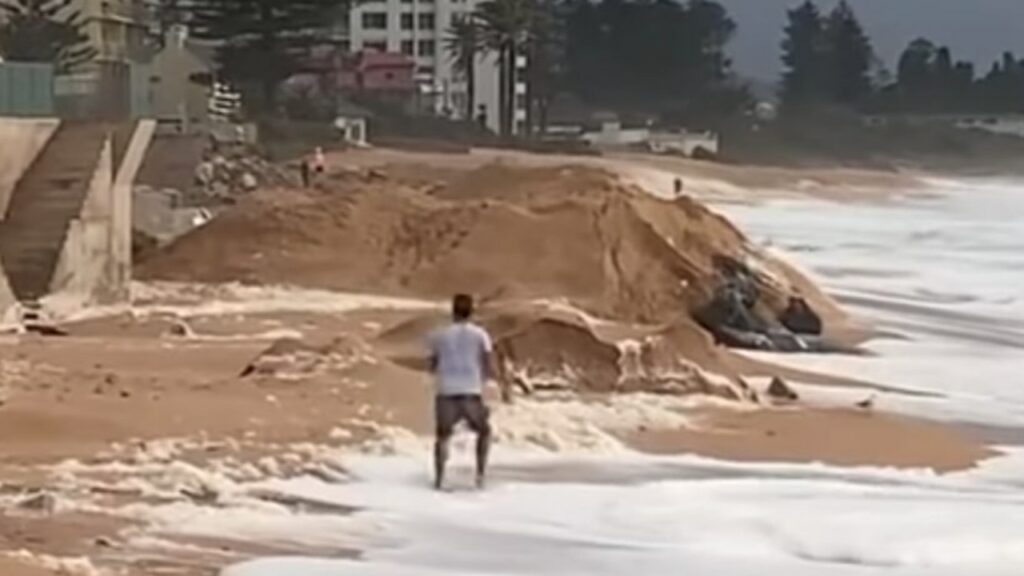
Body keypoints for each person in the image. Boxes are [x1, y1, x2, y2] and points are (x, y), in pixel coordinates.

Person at [428, 293, 506, 490]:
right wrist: (494, 385)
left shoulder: (440, 335)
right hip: (471, 391)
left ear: (453, 311)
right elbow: (487, 363)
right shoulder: (480, 335)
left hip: (446, 391)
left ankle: (439, 479)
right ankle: (480, 475)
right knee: (484, 432)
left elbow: (432, 364)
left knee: (442, 436)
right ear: (472, 312)